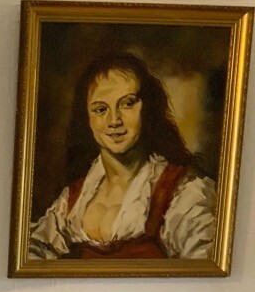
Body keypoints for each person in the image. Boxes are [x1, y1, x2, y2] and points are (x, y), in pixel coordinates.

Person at [28, 52, 216, 260]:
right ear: (87, 119)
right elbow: (32, 253)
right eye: (100, 109)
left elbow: (203, 270)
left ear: (148, 108)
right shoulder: (73, 200)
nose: (114, 120)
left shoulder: (182, 192)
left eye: (127, 104)